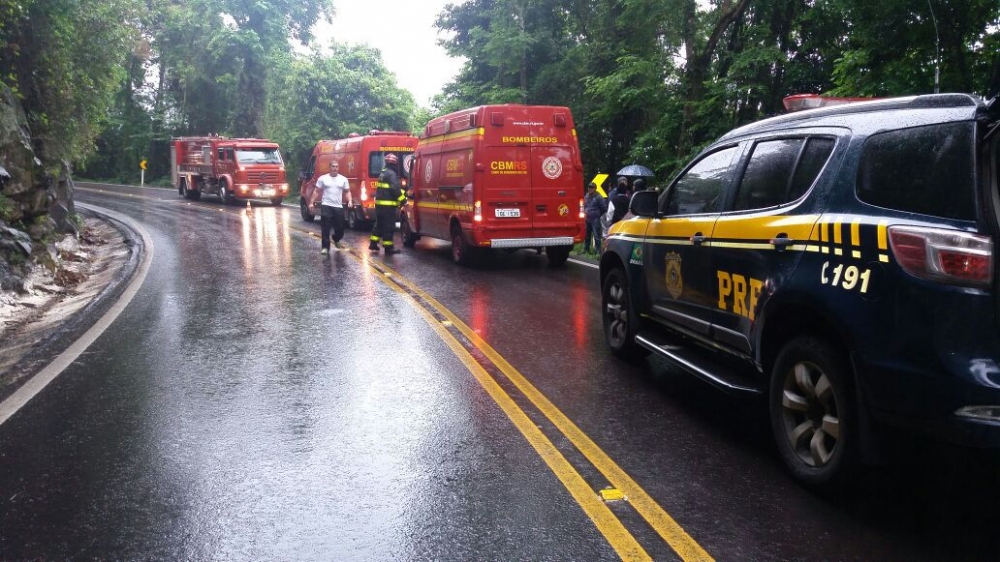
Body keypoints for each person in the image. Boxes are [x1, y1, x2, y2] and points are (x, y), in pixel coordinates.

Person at [368, 153, 406, 254]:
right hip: (387, 206)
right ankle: (388, 248)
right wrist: (404, 201)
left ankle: (373, 243)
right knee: (389, 226)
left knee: (379, 224)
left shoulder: (383, 172)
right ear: (394, 164)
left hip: (380, 205)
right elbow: (395, 189)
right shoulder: (391, 174)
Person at [312, 161, 352, 255]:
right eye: (333, 166)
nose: (335, 168)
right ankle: (325, 247)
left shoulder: (343, 179)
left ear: (338, 168)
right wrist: (311, 202)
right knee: (325, 227)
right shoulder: (323, 178)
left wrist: (349, 200)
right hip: (326, 205)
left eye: (336, 167)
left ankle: (336, 238)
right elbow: (316, 191)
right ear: (329, 167)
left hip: (338, 206)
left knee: (340, 227)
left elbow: (347, 191)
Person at [583, 182, 607, 254]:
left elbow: (604, 208)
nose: (590, 189)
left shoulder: (598, 197)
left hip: (595, 219)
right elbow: (584, 205)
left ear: (595, 189)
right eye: (589, 187)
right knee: (587, 235)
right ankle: (586, 249)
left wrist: (598, 214)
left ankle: (598, 251)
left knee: (596, 236)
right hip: (587, 219)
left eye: (591, 187)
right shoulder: (586, 196)